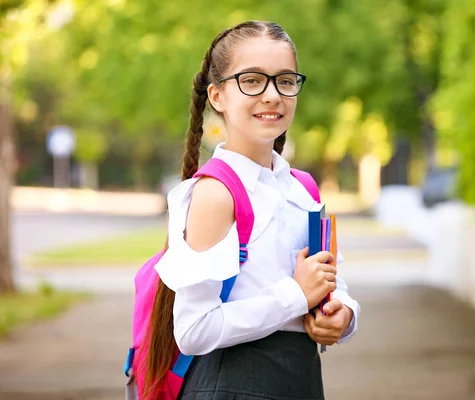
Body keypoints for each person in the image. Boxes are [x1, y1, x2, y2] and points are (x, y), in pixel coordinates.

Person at [145, 20, 360, 400]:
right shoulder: (216, 194)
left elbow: (330, 283)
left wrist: (343, 317)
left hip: (301, 382)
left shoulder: (302, 189)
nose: (272, 95)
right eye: (252, 81)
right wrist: (295, 296)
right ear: (217, 96)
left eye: (285, 80)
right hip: (233, 386)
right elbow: (195, 330)